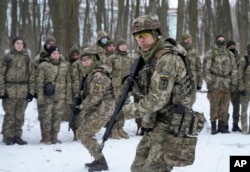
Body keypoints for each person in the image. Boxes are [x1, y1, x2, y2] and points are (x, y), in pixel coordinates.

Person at [118, 15, 201, 172]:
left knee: (154, 169)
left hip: (170, 122)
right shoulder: (148, 57)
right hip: (156, 121)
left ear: (156, 34)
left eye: (145, 36)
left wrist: (124, 112)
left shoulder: (167, 58)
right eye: (137, 36)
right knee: (137, 167)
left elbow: (157, 100)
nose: (141, 40)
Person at [76, 47, 115, 172]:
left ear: (94, 60)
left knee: (84, 134)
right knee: (83, 133)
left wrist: (81, 107)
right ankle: (98, 159)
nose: (85, 62)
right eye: (83, 60)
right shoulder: (90, 74)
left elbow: (95, 97)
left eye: (88, 59)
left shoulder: (98, 75)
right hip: (99, 108)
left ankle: (101, 161)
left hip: (104, 108)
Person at [0, 37, 35, 145]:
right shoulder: (7, 57)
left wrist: (31, 91)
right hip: (9, 90)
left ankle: (17, 136)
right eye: (17, 43)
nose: (20, 45)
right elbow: (1, 74)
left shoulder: (26, 58)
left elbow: (31, 75)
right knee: (10, 115)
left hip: (23, 91)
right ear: (13, 45)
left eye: (21, 43)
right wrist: (2, 91)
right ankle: (8, 136)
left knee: (20, 115)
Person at [36, 45, 72, 144]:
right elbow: (39, 82)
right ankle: (46, 137)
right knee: (47, 117)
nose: (56, 55)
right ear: (50, 54)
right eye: (54, 54)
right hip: (48, 97)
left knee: (57, 117)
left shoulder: (64, 66)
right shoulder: (44, 65)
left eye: (57, 53)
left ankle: (54, 136)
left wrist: (68, 98)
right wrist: (40, 97)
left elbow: (68, 82)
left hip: (60, 97)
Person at [203, 35, 237, 134]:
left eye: (223, 39)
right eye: (220, 39)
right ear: (216, 40)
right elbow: (206, 70)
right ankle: (213, 125)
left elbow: (234, 69)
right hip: (215, 82)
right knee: (214, 105)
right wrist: (209, 82)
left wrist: (234, 82)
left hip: (226, 83)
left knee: (225, 105)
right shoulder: (210, 53)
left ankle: (222, 126)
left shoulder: (229, 54)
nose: (221, 41)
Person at [107, 38, 132, 139]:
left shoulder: (129, 58)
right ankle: (113, 129)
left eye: (124, 45)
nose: (123, 47)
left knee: (124, 108)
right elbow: (107, 72)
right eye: (121, 45)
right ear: (118, 47)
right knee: (115, 108)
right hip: (115, 87)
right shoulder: (112, 58)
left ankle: (120, 128)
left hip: (126, 86)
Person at [180, 33, 203, 106]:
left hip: (193, 81)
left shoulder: (194, 52)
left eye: (190, 40)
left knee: (192, 101)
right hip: (180, 81)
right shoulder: (178, 50)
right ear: (183, 40)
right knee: (181, 103)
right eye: (187, 40)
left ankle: (188, 115)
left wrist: (199, 83)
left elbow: (199, 68)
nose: (189, 42)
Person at [226, 40, 242, 132]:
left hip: (236, 86)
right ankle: (225, 124)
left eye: (233, 46)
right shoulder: (224, 57)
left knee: (236, 107)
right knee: (225, 107)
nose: (232, 47)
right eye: (230, 46)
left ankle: (235, 125)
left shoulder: (239, 58)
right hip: (227, 85)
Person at [238, 43, 250, 134]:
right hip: (245, 90)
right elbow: (239, 75)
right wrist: (241, 87)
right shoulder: (243, 60)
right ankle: (244, 128)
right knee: (244, 110)